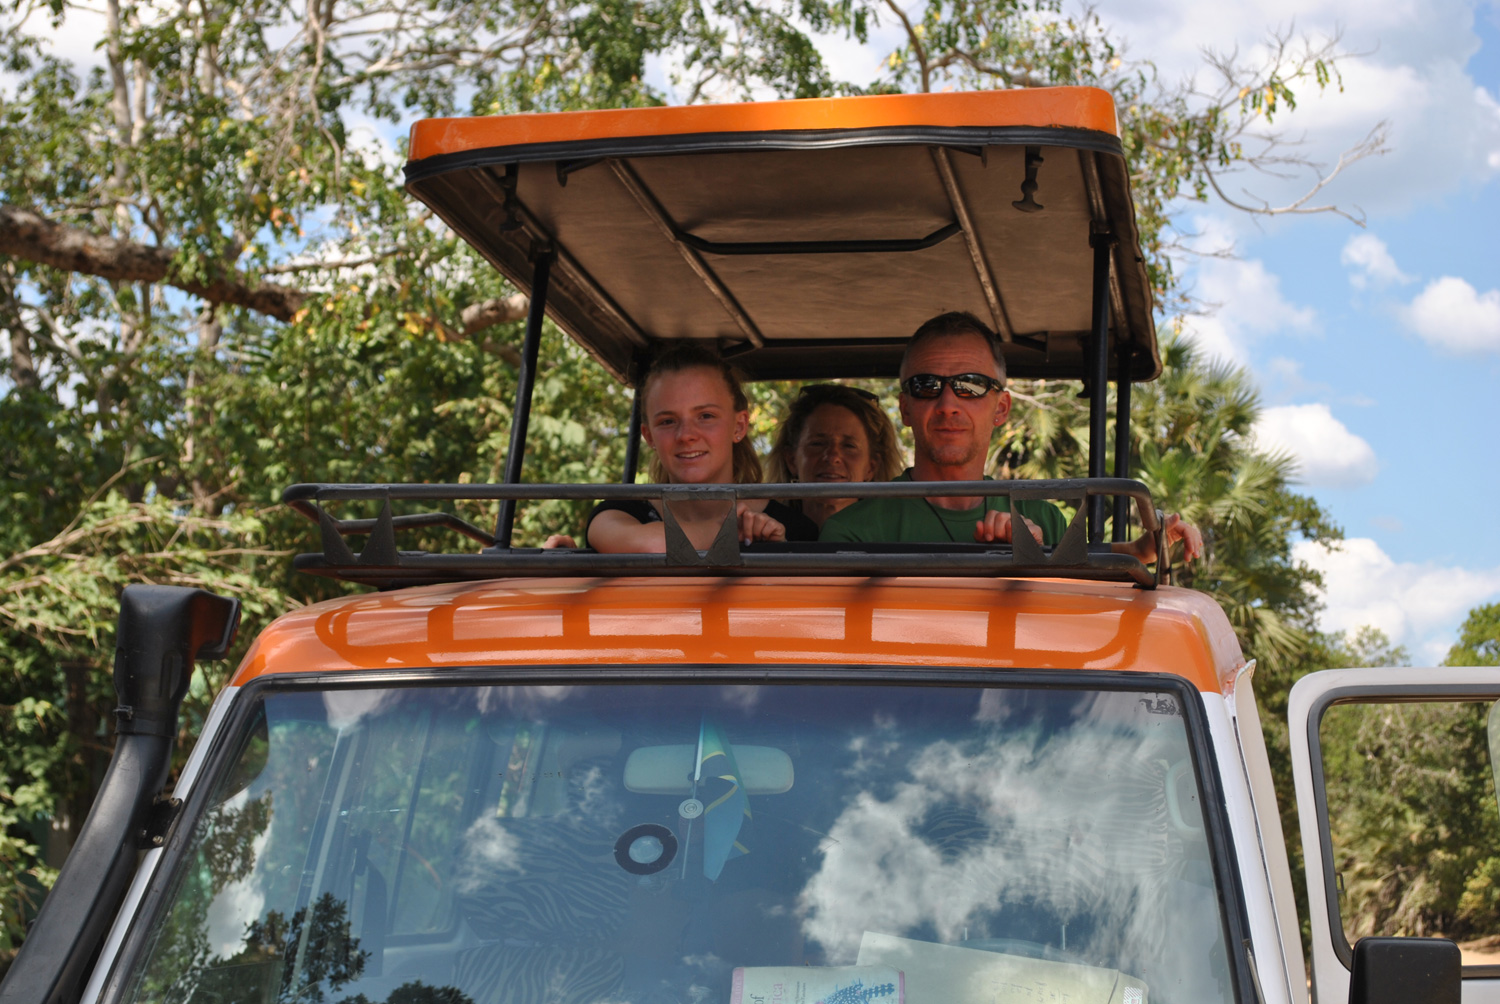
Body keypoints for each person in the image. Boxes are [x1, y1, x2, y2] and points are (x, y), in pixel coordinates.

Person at [820, 311, 1203, 565]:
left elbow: (1076, 610)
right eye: (927, 385)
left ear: (1001, 408)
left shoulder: (1045, 520)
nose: (948, 404)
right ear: (905, 408)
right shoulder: (851, 532)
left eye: (970, 385)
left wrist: (1143, 549)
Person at [585, 343, 819, 552]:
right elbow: (648, 545)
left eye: (706, 416)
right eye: (668, 421)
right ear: (649, 437)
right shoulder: (619, 513)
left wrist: (779, 550)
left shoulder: (793, 528)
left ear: (739, 426)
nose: (686, 435)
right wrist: (730, 531)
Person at [765, 384, 904, 529]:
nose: (832, 457)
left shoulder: (891, 535)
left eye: (849, 446)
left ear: (871, 467)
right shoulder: (763, 531)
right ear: (791, 460)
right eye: (818, 444)